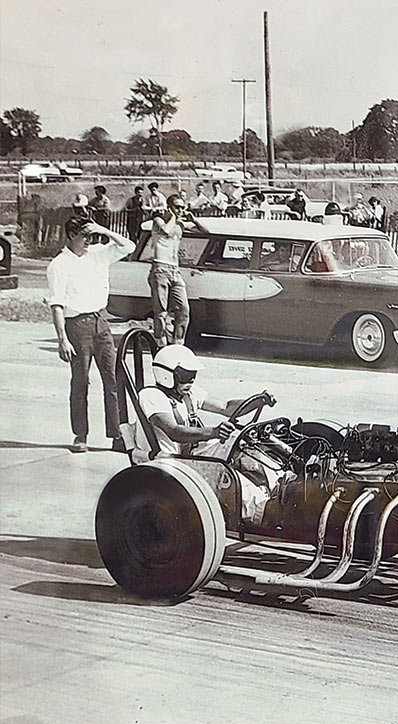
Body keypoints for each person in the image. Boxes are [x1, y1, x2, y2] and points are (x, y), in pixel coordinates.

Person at [133, 344, 272, 523]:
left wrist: (258, 400)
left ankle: (278, 486)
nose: (190, 381)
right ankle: (264, 509)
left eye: (193, 376)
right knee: (226, 473)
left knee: (243, 441)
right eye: (185, 376)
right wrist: (213, 432)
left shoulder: (188, 393)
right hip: (172, 463)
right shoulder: (151, 396)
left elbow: (225, 407)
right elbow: (174, 431)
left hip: (192, 455)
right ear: (167, 375)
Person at [46, 216, 136, 452]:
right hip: (76, 326)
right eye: (84, 235)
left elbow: (129, 246)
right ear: (71, 235)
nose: (89, 240)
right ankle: (81, 435)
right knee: (80, 382)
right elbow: (56, 304)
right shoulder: (59, 264)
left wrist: (103, 230)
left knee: (113, 379)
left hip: (101, 321)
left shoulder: (98, 253)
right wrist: (62, 339)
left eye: (90, 235)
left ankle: (117, 435)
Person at [148, 194, 190, 347]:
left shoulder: (180, 224)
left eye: (182, 207)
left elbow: (206, 230)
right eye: (177, 207)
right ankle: (160, 342)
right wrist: (172, 216)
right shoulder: (158, 221)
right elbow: (165, 231)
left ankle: (178, 342)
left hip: (174, 270)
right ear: (169, 207)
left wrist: (193, 219)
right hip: (160, 268)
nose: (180, 210)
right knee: (161, 311)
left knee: (184, 309)